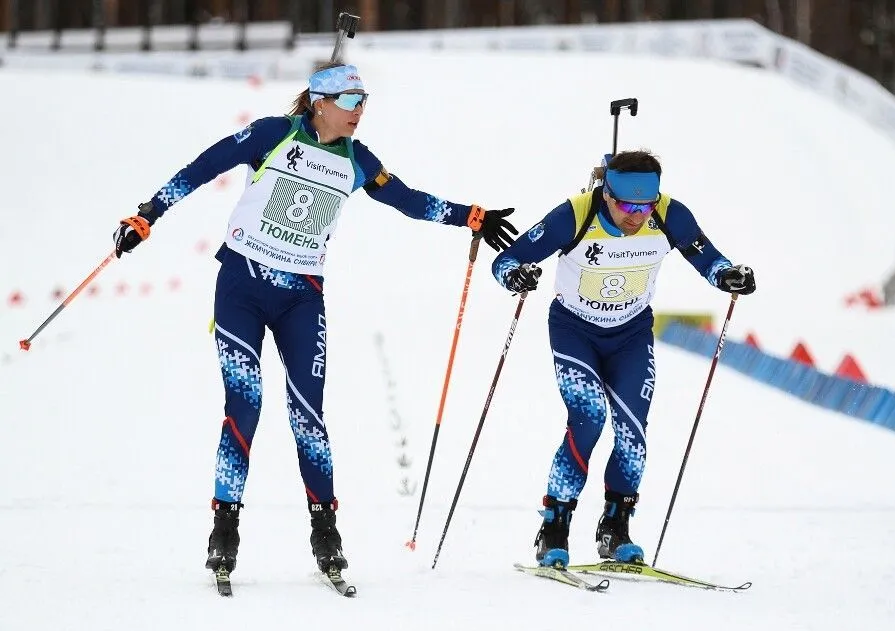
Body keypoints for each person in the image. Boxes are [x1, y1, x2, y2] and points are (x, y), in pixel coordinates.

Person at [111, 62, 519, 579]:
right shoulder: (272, 134)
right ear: (319, 102)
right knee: (245, 405)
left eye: (364, 102)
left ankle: (325, 531)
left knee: (308, 415)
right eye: (349, 102)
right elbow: (204, 166)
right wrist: (149, 212)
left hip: (301, 298)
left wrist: (470, 216)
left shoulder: (357, 160)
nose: (358, 112)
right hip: (241, 287)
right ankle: (225, 528)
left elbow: (408, 200)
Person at [489, 150, 755, 568]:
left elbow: (708, 258)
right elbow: (506, 260)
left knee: (633, 435)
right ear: (607, 196)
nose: (638, 216)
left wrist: (727, 275)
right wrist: (514, 276)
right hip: (575, 331)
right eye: (629, 207)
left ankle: (616, 527)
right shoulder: (575, 215)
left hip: (631, 335)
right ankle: (555, 526)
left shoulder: (669, 214)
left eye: (646, 206)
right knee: (589, 417)